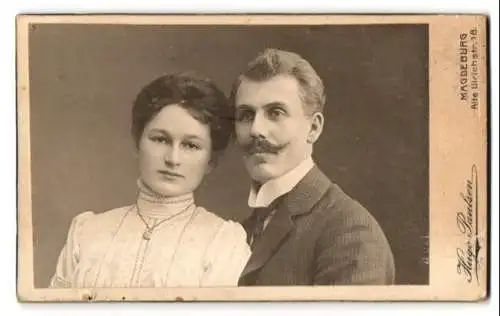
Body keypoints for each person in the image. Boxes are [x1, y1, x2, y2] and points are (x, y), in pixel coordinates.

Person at [49, 72, 251, 288]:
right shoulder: (87, 232)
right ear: (138, 143)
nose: (173, 159)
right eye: (160, 139)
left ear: (210, 160)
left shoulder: (223, 242)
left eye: (191, 145)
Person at [231, 48, 395, 286]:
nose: (256, 129)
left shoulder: (350, 231)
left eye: (275, 113)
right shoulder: (242, 230)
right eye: (246, 115)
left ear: (314, 128)